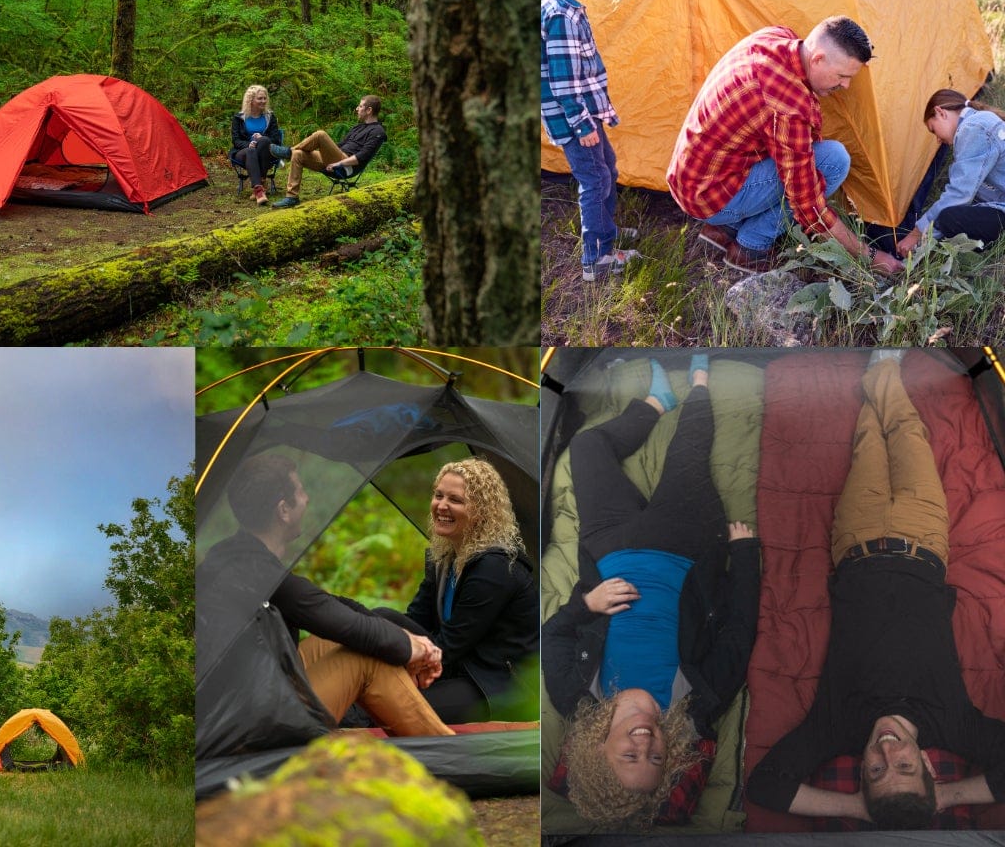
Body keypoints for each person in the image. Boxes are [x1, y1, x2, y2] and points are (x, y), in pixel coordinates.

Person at [744, 353, 1005, 829]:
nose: (886, 750)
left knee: (867, 443)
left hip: (858, 540)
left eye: (877, 771)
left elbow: (766, 784)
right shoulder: (954, 724)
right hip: (923, 540)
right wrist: (941, 798)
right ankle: (884, 367)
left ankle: (878, 372)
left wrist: (858, 807)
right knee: (908, 433)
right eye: (905, 765)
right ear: (927, 764)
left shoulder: (835, 728)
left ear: (861, 775)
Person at [545, 356, 762, 829]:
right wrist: (745, 555)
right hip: (682, 546)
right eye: (655, 760)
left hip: (610, 548)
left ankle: (654, 403)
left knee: (586, 446)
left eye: (629, 756)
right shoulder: (699, 702)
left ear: (601, 751)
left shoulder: (576, 697)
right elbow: (739, 632)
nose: (645, 744)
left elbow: (553, 635)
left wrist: (587, 604)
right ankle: (700, 381)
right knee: (688, 451)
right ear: (671, 757)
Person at [203, 452, 454, 736]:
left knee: (342, 640)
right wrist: (417, 648)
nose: (307, 499)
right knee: (366, 657)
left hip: (244, 699)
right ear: (283, 510)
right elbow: (341, 621)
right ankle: (453, 758)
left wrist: (406, 640)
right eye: (301, 490)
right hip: (245, 729)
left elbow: (328, 607)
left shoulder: (233, 555)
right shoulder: (258, 572)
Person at [666, 16, 899, 277]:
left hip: (692, 178)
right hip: (709, 197)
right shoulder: (787, 107)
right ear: (818, 59)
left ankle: (723, 230)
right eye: (842, 76)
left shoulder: (776, 37)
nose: (845, 85)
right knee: (833, 161)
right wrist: (870, 256)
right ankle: (750, 246)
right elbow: (808, 207)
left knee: (806, 161)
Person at [395, 458, 538, 724]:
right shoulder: (444, 559)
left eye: (456, 500)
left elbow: (450, 645)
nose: (442, 506)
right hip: (458, 668)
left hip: (496, 684)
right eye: (438, 495)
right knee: (383, 618)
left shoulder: (495, 567)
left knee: (396, 704)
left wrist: (406, 667)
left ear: (482, 511)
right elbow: (415, 621)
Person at [541, 0, 635, 282]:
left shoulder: (568, 10)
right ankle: (597, 257)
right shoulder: (561, 16)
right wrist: (582, 126)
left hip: (584, 115)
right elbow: (564, 83)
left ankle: (605, 231)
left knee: (607, 170)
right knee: (595, 179)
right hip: (574, 120)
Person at [898, 89, 1005, 253]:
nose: (938, 140)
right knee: (952, 221)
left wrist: (917, 233)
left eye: (933, 130)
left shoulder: (973, 128)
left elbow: (960, 194)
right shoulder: (978, 123)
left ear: (940, 112)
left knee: (949, 219)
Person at [269, 95, 388, 208]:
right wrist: (323, 150)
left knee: (321, 134)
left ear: (369, 110)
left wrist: (338, 164)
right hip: (336, 158)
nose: (357, 109)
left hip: (346, 166)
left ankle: (288, 151)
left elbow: (362, 157)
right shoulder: (357, 127)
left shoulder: (377, 131)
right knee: (298, 154)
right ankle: (292, 197)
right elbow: (340, 145)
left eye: (360, 106)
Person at [231, 85, 288, 203]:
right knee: (251, 151)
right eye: (259, 99)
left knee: (265, 141)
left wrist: (262, 138)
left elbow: (276, 139)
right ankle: (261, 185)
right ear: (251, 100)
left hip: (266, 152)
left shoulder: (269, 117)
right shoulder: (239, 118)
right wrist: (248, 144)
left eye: (264, 98)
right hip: (244, 152)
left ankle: (258, 190)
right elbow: (236, 141)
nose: (263, 101)